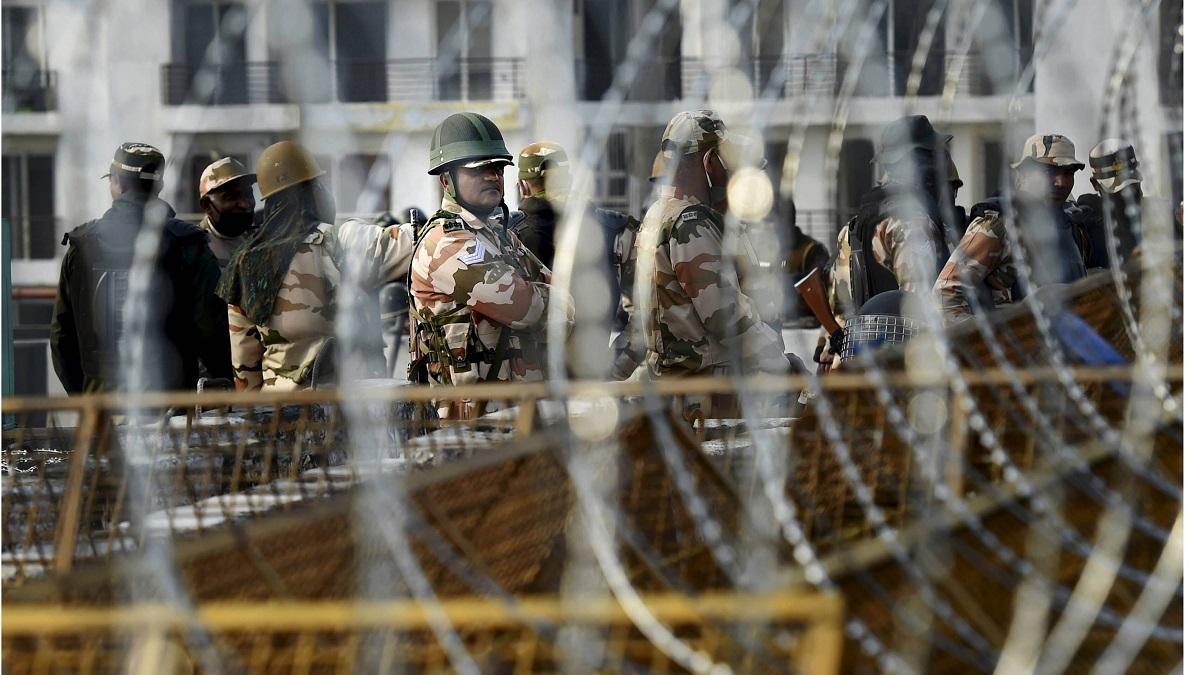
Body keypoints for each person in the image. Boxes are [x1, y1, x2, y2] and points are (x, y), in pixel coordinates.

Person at [218, 141, 413, 391]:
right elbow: (417, 241)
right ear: (313, 192)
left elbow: (245, 367)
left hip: (280, 414)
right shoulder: (343, 241)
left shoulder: (244, 264)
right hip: (349, 412)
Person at [409, 113, 568, 414]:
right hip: (472, 422)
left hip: (522, 412)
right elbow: (526, 308)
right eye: (479, 169)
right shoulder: (444, 243)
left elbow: (568, 306)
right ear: (446, 180)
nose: (492, 176)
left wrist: (536, 296)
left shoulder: (501, 236)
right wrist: (536, 296)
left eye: (497, 168)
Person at [50, 142, 232, 393]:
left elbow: (61, 338)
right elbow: (212, 330)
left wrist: (84, 399)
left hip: (101, 412)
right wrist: (221, 386)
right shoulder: (189, 244)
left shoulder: (82, 246)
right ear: (159, 186)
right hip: (170, 409)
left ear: (117, 183)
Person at [633, 109, 801, 377]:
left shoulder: (658, 213)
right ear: (711, 161)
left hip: (680, 382)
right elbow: (726, 317)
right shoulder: (691, 221)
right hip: (708, 390)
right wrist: (782, 365)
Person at [816, 115, 959, 370]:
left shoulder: (855, 224)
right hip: (902, 362)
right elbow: (923, 305)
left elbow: (840, 308)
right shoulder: (911, 222)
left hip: (861, 360)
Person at [935, 133, 1089, 322]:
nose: (1061, 182)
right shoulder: (999, 224)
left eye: (1068, 173)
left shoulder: (1070, 227)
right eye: (1049, 172)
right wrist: (985, 344)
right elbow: (946, 292)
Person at [1074, 139, 1144, 267]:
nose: (1128, 195)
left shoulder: (1157, 214)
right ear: (1095, 185)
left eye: (1133, 186)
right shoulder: (1086, 227)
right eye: (1118, 191)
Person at [197, 157, 258, 268]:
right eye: (231, 197)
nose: (244, 204)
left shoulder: (258, 238)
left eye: (248, 194)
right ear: (207, 205)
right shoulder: (195, 251)